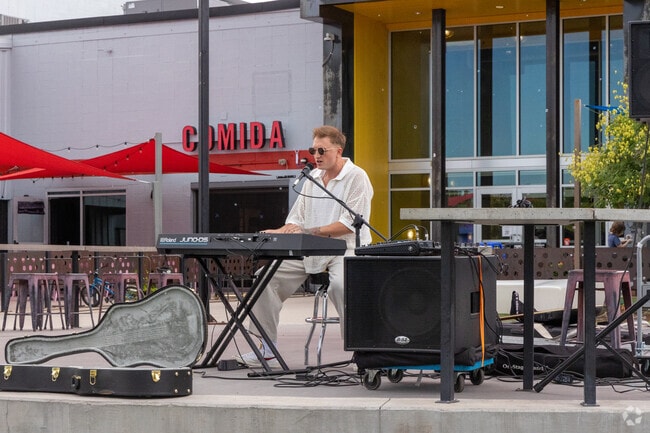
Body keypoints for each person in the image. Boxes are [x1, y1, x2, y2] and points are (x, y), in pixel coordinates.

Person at [234, 125, 373, 367]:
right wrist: (275, 233)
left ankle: (361, 351)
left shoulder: (356, 176)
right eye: (312, 150)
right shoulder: (312, 179)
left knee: (341, 286)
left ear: (338, 151)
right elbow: (296, 220)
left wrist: (310, 232)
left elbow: (349, 224)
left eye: (322, 150)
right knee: (265, 278)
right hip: (310, 249)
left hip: (345, 248)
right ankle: (267, 348)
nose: (316, 155)